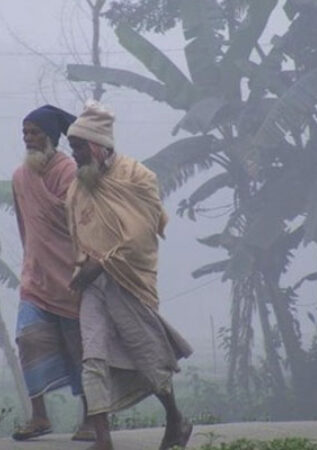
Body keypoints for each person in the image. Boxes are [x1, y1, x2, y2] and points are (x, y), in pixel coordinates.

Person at [65, 101, 194, 450]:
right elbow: (77, 232)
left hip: (129, 282)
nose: (73, 154)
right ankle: (103, 440)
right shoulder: (78, 187)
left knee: (148, 358)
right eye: (71, 146)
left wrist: (103, 263)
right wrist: (84, 269)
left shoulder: (137, 177)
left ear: (97, 145)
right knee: (92, 357)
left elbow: (140, 234)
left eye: (77, 146)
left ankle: (176, 419)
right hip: (93, 286)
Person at [10, 105, 94, 442]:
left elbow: (82, 224)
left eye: (35, 133)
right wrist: (32, 260)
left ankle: (92, 420)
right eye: (25, 133)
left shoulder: (68, 172)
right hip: (36, 280)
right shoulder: (19, 177)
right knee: (28, 340)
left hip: (70, 281)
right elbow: (25, 226)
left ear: (51, 137)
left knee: (81, 352)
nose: (29, 139)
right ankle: (39, 417)